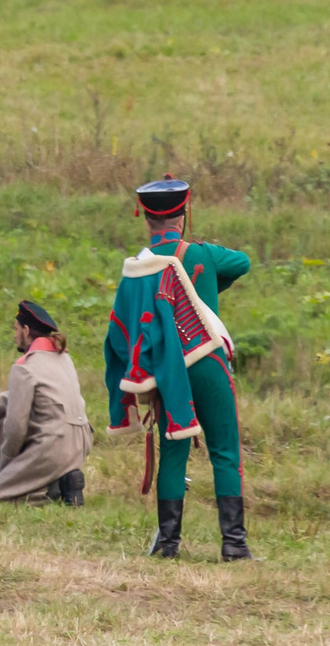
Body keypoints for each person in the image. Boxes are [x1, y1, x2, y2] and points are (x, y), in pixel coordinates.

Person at [106, 178, 253, 560]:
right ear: (184, 213)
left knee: (173, 452)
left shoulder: (137, 268)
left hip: (167, 371)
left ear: (146, 219)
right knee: (224, 449)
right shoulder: (201, 253)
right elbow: (243, 262)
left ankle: (169, 545)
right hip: (207, 362)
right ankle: (234, 546)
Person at [0, 299, 92, 504]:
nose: (14, 335)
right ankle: (64, 481)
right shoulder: (62, 357)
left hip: (53, 446)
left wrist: (8, 464)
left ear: (26, 330)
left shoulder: (24, 366)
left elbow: (15, 426)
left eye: (15, 329)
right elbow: (18, 398)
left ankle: (46, 491)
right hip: (79, 444)